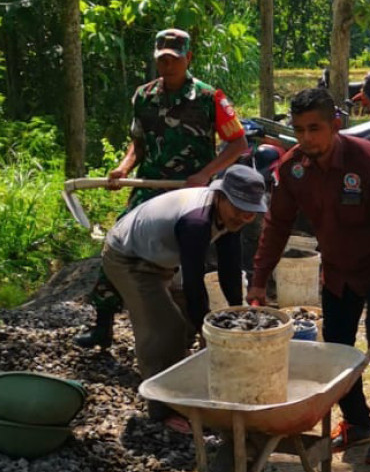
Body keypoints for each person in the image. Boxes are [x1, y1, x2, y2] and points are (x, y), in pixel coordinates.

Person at [248, 87, 370, 465]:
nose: (306, 138)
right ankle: (357, 422)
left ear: (336, 125)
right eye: (299, 130)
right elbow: (276, 226)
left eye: (315, 128)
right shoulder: (293, 169)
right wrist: (259, 280)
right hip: (338, 270)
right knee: (336, 348)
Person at [75, 28, 248, 349]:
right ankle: (103, 325)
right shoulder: (144, 96)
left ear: (188, 58)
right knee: (118, 245)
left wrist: (205, 174)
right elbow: (138, 143)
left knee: (207, 254)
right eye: (162, 60)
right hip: (152, 185)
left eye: (174, 59)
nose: (167, 66)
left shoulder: (209, 98)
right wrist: (123, 168)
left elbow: (238, 144)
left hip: (194, 191)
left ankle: (223, 318)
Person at [101, 164, 266, 431]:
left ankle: (181, 380)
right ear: (220, 197)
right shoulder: (196, 223)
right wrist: (209, 329)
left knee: (187, 321)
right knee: (165, 329)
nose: (242, 216)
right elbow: (193, 283)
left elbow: (230, 267)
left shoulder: (229, 217)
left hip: (163, 258)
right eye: (238, 208)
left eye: (250, 213)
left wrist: (237, 313)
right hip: (129, 258)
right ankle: (162, 408)